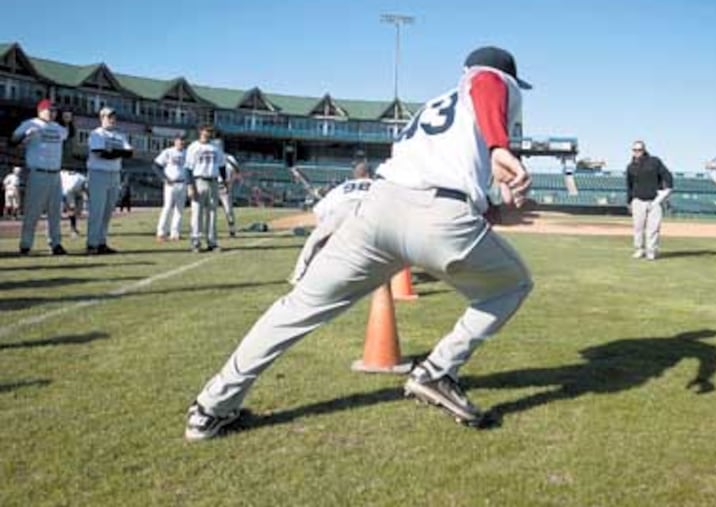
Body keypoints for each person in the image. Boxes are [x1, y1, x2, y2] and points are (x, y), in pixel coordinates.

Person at [185, 45, 534, 441]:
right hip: (438, 214)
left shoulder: (437, 105)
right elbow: (487, 82)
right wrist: (500, 147)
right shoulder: (489, 81)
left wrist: (487, 188)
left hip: (378, 208)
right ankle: (437, 370)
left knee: (296, 309)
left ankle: (210, 408)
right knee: (513, 285)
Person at [289, 162, 373, 285]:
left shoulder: (344, 186)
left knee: (314, 241)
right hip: (368, 212)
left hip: (343, 209)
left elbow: (319, 210)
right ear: (370, 174)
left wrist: (324, 229)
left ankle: (299, 275)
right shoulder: (377, 185)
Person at [10, 98, 69, 255]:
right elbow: (13, 140)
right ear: (40, 110)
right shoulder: (31, 123)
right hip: (38, 172)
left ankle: (55, 243)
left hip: (55, 174)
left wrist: (69, 121)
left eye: (55, 111)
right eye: (49, 110)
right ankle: (26, 244)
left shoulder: (58, 128)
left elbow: (69, 135)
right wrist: (25, 135)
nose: (52, 113)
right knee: (33, 211)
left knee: (55, 212)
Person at [86, 107, 133, 255]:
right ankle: (92, 244)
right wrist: (118, 153)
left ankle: (101, 242)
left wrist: (113, 152)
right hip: (98, 173)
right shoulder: (96, 134)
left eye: (113, 117)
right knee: (96, 211)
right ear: (101, 118)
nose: (111, 120)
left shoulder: (120, 135)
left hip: (114, 174)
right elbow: (100, 153)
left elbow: (130, 153)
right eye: (108, 117)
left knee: (107, 212)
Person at [626, 140, 673, 261]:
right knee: (638, 228)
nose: (637, 152)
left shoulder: (654, 162)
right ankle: (639, 250)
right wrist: (629, 201)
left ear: (644, 149)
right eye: (635, 150)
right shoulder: (630, 167)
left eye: (639, 149)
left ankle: (651, 251)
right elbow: (629, 186)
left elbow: (667, 175)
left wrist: (668, 188)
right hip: (638, 201)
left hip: (654, 201)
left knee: (653, 228)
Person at [184, 125, 226, 252]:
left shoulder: (216, 146)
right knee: (197, 212)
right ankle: (196, 241)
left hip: (213, 180)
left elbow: (221, 165)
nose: (209, 133)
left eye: (211, 131)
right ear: (201, 131)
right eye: (207, 130)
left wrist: (224, 181)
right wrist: (190, 185)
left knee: (212, 213)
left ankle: (212, 241)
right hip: (199, 180)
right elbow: (188, 168)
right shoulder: (193, 147)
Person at [153, 135, 187, 241]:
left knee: (179, 209)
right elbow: (156, 165)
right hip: (171, 183)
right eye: (179, 140)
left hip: (183, 182)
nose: (181, 142)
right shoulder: (168, 152)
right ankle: (161, 232)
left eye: (183, 140)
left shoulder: (187, 153)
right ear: (175, 141)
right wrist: (164, 178)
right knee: (167, 207)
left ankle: (175, 233)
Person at [218, 153, 241, 237]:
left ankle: (232, 229)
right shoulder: (211, 155)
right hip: (213, 184)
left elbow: (236, 171)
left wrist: (230, 182)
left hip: (225, 185)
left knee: (228, 209)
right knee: (209, 210)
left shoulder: (229, 158)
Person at [60, 168, 87, 237]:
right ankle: (73, 229)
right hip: (68, 191)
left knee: (77, 212)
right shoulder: (62, 174)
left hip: (77, 191)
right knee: (72, 209)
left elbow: (85, 188)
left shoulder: (81, 177)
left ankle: (73, 228)